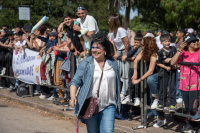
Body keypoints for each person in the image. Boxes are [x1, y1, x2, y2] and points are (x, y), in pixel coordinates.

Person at [69, 32, 121, 133]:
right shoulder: (86, 63)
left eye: (98, 48)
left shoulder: (113, 63)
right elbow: (75, 81)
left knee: (108, 131)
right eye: (93, 47)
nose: (94, 50)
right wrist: (72, 97)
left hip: (109, 104)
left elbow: (117, 83)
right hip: (90, 104)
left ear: (105, 49)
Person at [132, 35, 166, 128]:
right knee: (151, 97)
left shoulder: (155, 53)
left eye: (142, 44)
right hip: (151, 78)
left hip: (159, 76)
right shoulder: (145, 51)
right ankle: (160, 117)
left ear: (147, 45)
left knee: (155, 98)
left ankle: (161, 116)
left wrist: (139, 80)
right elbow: (136, 60)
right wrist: (135, 72)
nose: (140, 46)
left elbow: (150, 71)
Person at [171, 33, 200, 133]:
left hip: (196, 84)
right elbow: (172, 63)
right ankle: (192, 128)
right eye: (193, 41)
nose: (196, 42)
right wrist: (179, 50)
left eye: (196, 40)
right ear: (188, 44)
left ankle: (196, 126)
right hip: (184, 84)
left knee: (193, 108)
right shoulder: (182, 53)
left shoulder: (199, 52)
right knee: (188, 108)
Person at [108, 14, 131, 102]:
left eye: (109, 20)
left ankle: (124, 93)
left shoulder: (121, 30)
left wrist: (125, 54)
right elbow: (113, 43)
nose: (108, 22)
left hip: (125, 51)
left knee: (125, 74)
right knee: (117, 72)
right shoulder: (112, 31)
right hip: (118, 51)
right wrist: (115, 52)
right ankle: (118, 91)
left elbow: (127, 43)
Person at [156, 34, 177, 112]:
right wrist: (166, 67)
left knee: (172, 88)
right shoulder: (160, 52)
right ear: (161, 43)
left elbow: (177, 57)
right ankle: (161, 103)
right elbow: (158, 62)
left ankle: (172, 104)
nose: (167, 43)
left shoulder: (173, 49)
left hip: (173, 73)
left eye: (168, 41)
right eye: (165, 41)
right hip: (163, 73)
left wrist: (171, 59)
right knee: (163, 89)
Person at [122, 33, 143, 106]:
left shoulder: (141, 49)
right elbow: (128, 55)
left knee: (137, 84)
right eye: (135, 42)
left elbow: (137, 57)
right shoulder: (133, 48)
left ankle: (137, 97)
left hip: (138, 69)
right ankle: (129, 96)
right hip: (131, 68)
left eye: (138, 42)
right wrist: (134, 49)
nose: (136, 44)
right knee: (130, 83)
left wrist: (134, 56)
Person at [175, 29, 186, 104]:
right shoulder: (177, 42)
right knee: (178, 81)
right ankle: (179, 96)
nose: (176, 35)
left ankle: (181, 96)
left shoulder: (186, 42)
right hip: (177, 65)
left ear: (182, 34)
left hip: (184, 66)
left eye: (177, 33)